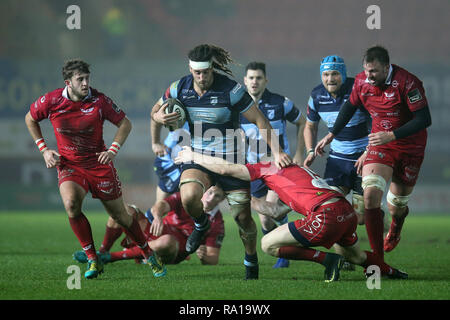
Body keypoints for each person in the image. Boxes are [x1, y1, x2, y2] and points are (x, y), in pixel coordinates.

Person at [151, 44, 292, 280]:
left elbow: (260, 120)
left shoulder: (231, 90)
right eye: (197, 73)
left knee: (243, 218)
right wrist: (157, 115)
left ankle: (251, 260)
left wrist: (277, 153)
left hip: (231, 159)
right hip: (198, 158)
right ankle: (201, 224)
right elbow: (155, 109)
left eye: (206, 72)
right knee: (187, 197)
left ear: (212, 68)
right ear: (190, 69)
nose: (202, 77)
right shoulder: (179, 87)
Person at [175, 147, 408, 281]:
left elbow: (226, 168)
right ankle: (393, 273)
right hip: (343, 211)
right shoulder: (297, 170)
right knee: (357, 258)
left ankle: (327, 260)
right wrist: (245, 200)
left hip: (325, 216)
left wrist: (193, 156)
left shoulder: (267, 168)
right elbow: (275, 210)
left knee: (267, 245)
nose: (255, 162)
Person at [24, 59, 165, 279]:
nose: (85, 83)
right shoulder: (51, 101)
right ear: (67, 82)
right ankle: (93, 259)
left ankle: (148, 253)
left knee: (122, 217)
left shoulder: (99, 101)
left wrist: (112, 150)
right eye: (80, 79)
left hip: (99, 166)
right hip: (70, 165)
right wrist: (44, 150)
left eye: (87, 78)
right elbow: (30, 118)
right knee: (71, 205)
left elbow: (125, 124)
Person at [315, 46, 432, 260]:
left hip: (409, 148)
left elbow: (424, 119)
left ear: (387, 67)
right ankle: (377, 259)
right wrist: (332, 134)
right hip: (380, 144)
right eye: (366, 70)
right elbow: (349, 107)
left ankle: (396, 225)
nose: (369, 76)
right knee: (370, 197)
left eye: (374, 71)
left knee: (396, 206)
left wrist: (393, 135)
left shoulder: (408, 83)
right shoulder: (361, 82)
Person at [241, 61, 306, 268]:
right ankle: (283, 243)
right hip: (254, 169)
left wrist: (298, 153)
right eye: (251, 78)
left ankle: (284, 254)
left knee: (272, 208)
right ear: (245, 81)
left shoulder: (281, 103)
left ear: (265, 80)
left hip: (277, 167)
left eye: (258, 78)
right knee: (266, 219)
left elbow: (302, 122)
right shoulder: (239, 107)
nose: (254, 81)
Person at [73, 185, 226, 266]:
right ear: (204, 190)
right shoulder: (186, 198)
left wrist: (204, 256)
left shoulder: (216, 222)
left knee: (167, 241)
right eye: (210, 192)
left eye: (217, 195)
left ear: (222, 199)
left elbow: (213, 259)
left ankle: (109, 258)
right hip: (154, 232)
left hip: (171, 249)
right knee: (123, 210)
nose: (211, 198)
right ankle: (102, 251)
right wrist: (158, 216)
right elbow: (160, 205)